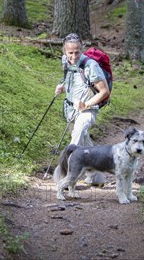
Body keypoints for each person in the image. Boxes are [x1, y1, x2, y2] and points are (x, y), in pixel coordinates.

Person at [55, 33, 109, 186]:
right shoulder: (65, 61)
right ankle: (96, 177)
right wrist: (62, 87)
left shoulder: (91, 65)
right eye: (70, 52)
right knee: (86, 144)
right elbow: (73, 83)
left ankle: (66, 178)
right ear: (64, 52)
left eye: (77, 52)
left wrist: (86, 105)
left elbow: (104, 91)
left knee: (75, 140)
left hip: (88, 111)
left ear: (82, 49)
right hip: (71, 110)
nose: (73, 56)